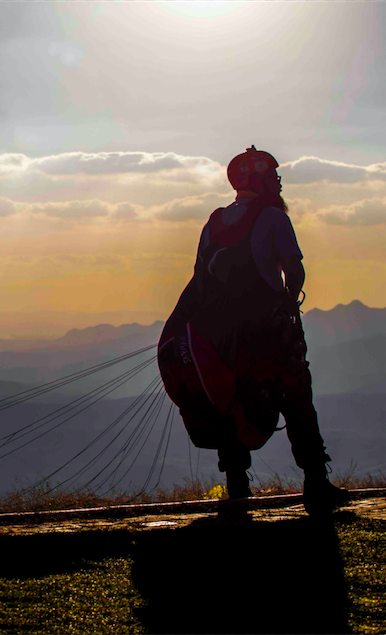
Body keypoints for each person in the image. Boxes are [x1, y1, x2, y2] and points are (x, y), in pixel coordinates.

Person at [157, 145, 350, 515]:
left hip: (219, 335)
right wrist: (289, 304)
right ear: (262, 181)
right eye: (274, 177)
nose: (279, 184)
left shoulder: (214, 221)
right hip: (266, 330)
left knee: (231, 401)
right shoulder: (275, 217)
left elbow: (200, 278)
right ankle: (315, 481)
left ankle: (237, 488)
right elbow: (292, 269)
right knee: (296, 397)